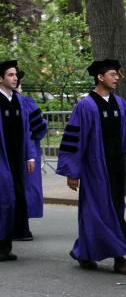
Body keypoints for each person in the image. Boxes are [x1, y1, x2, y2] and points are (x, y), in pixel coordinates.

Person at [56, 59, 126, 275]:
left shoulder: (120, 104)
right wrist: (72, 172)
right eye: (113, 74)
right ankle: (120, 258)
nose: (117, 78)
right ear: (100, 77)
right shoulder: (86, 105)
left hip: (115, 168)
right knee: (101, 212)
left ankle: (84, 253)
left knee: (104, 211)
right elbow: (74, 140)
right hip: (94, 168)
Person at [0, 60, 35, 261]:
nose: (15, 78)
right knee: (5, 200)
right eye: (11, 75)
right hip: (1, 157)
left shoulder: (20, 101)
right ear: (1, 78)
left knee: (14, 200)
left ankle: (5, 245)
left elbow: (27, 130)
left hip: (17, 158)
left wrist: (29, 155)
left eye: (16, 75)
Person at [13, 70, 48, 241]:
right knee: (26, 187)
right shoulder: (26, 102)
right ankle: (22, 226)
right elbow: (40, 128)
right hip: (29, 150)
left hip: (18, 151)